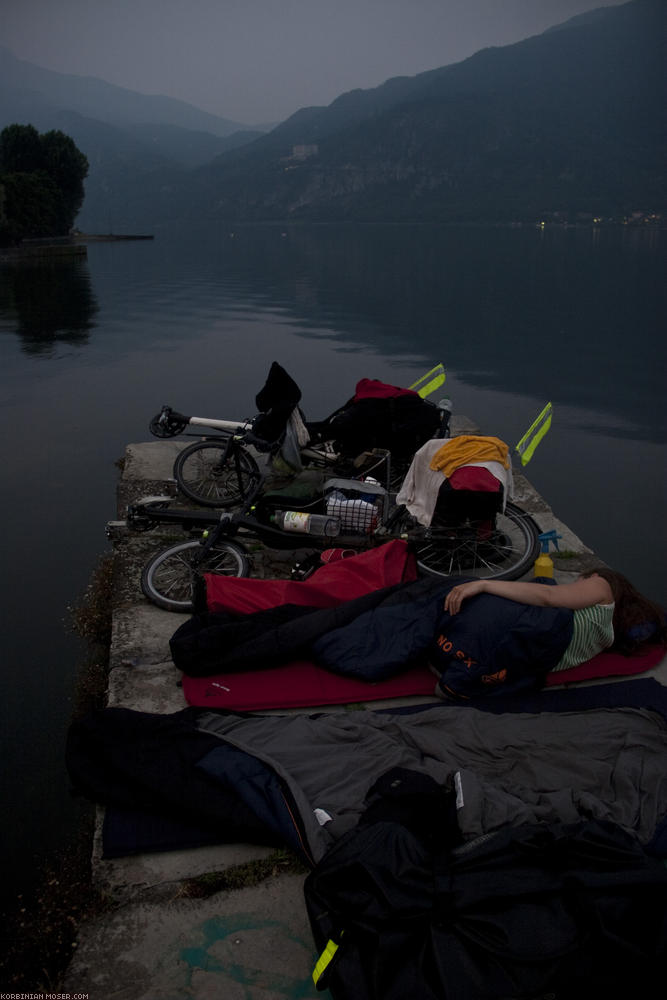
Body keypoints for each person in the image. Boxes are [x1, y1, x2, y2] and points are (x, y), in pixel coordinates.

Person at [443, 567, 666, 672]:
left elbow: (549, 597)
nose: (574, 584)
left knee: (454, 591)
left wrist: (483, 583)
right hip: (525, 658)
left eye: (581, 580)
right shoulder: (603, 640)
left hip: (523, 636)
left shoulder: (602, 584)